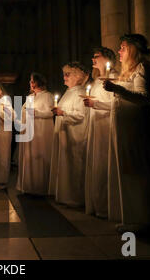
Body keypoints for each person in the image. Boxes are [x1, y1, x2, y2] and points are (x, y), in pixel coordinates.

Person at [103, 34, 150, 233]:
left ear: (133, 49)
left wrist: (116, 89)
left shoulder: (144, 67)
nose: (119, 51)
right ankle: (133, 217)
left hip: (139, 131)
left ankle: (145, 219)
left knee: (140, 172)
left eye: (122, 47)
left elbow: (144, 98)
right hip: (127, 131)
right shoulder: (131, 71)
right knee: (129, 173)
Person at [83, 47, 118, 218]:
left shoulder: (114, 79)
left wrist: (96, 104)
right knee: (96, 165)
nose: (93, 58)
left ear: (107, 59)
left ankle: (107, 206)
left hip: (107, 127)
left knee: (105, 164)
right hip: (96, 126)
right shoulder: (97, 81)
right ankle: (97, 203)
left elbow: (116, 105)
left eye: (96, 56)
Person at [49, 62, 89, 207]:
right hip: (64, 134)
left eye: (68, 74)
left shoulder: (80, 93)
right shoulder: (69, 92)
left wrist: (62, 113)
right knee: (65, 165)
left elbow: (81, 115)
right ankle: (65, 196)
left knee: (74, 166)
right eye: (64, 74)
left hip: (75, 135)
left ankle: (75, 198)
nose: (64, 77)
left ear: (78, 77)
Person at [17, 73, 54, 195]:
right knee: (29, 158)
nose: (30, 83)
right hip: (28, 131)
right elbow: (23, 111)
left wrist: (36, 113)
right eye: (30, 81)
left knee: (40, 157)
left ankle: (40, 187)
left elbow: (50, 113)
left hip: (41, 132)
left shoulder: (48, 96)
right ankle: (29, 186)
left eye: (32, 80)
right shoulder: (30, 97)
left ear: (39, 82)